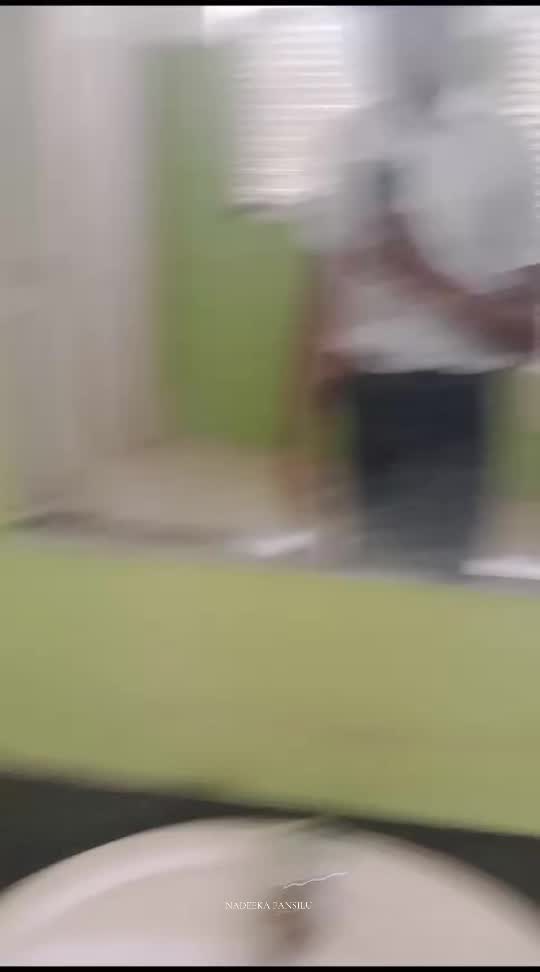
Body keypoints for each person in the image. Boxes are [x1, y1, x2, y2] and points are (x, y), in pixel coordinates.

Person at [284, 5, 537, 575]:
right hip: (367, 402)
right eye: (381, 22)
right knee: (372, 584)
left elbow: (526, 333)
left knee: (435, 589)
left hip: (452, 408)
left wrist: (424, 277)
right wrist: (299, 434)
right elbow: (322, 295)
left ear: (449, 26)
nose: (394, 36)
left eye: (414, 20)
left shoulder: (500, 146)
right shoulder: (347, 141)